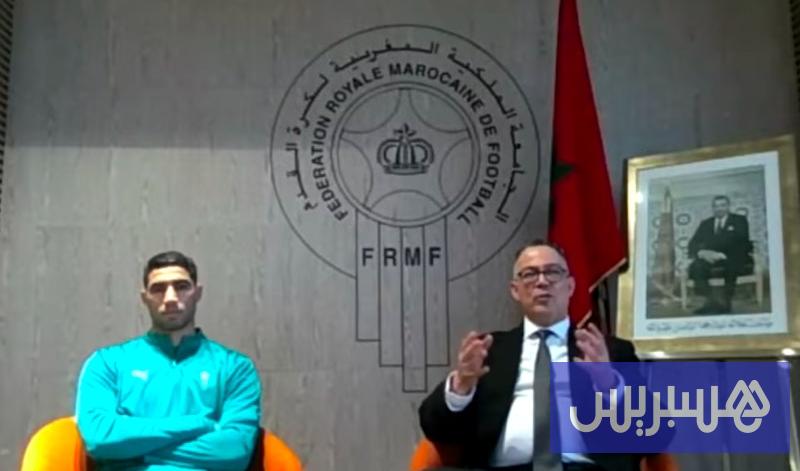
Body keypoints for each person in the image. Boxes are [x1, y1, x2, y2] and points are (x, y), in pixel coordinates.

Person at [418, 240, 640, 471]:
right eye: (530, 274)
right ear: (515, 290)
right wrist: (461, 386)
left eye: (553, 272)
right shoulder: (488, 351)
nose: (542, 281)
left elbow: (654, 430)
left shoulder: (610, 351)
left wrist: (609, 384)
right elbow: (435, 429)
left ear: (570, 286)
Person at [75, 251, 261, 470]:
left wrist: (132, 451)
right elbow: (100, 440)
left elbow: (233, 451)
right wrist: (199, 423)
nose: (170, 298)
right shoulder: (107, 363)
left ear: (197, 293)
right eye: (158, 289)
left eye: (181, 287)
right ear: (145, 297)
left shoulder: (236, 368)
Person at [687, 195, 752, 314]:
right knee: (696, 266)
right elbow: (693, 243)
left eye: (722, 205)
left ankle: (725, 303)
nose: (719, 208)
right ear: (713, 208)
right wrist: (702, 252)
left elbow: (742, 242)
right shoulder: (706, 223)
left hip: (732, 256)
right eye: (716, 206)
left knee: (732, 264)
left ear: (728, 206)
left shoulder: (739, 220)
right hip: (710, 257)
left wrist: (721, 254)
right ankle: (710, 301)